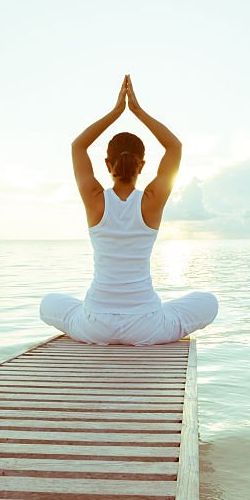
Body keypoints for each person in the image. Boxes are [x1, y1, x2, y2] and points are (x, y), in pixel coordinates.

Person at [39, 75, 218, 345]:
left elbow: (78, 146)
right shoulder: (151, 200)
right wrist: (136, 111)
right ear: (142, 165)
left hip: (95, 324)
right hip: (146, 326)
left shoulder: (95, 198)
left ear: (108, 163)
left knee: (48, 303)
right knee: (208, 302)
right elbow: (174, 147)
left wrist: (116, 112)